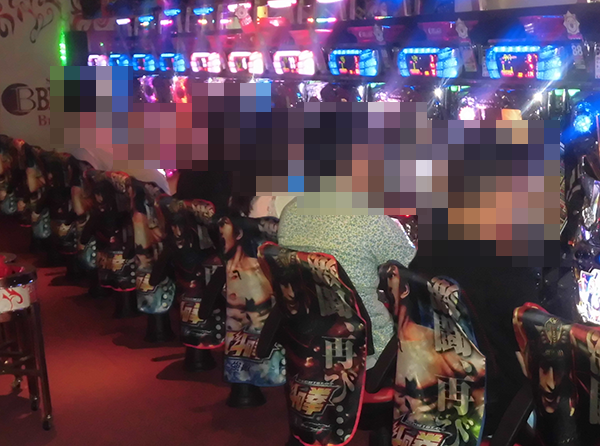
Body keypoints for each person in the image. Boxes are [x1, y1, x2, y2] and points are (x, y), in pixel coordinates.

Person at [277, 198, 416, 368]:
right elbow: (415, 269)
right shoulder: (371, 220)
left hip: (304, 339)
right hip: (367, 346)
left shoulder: (291, 211)